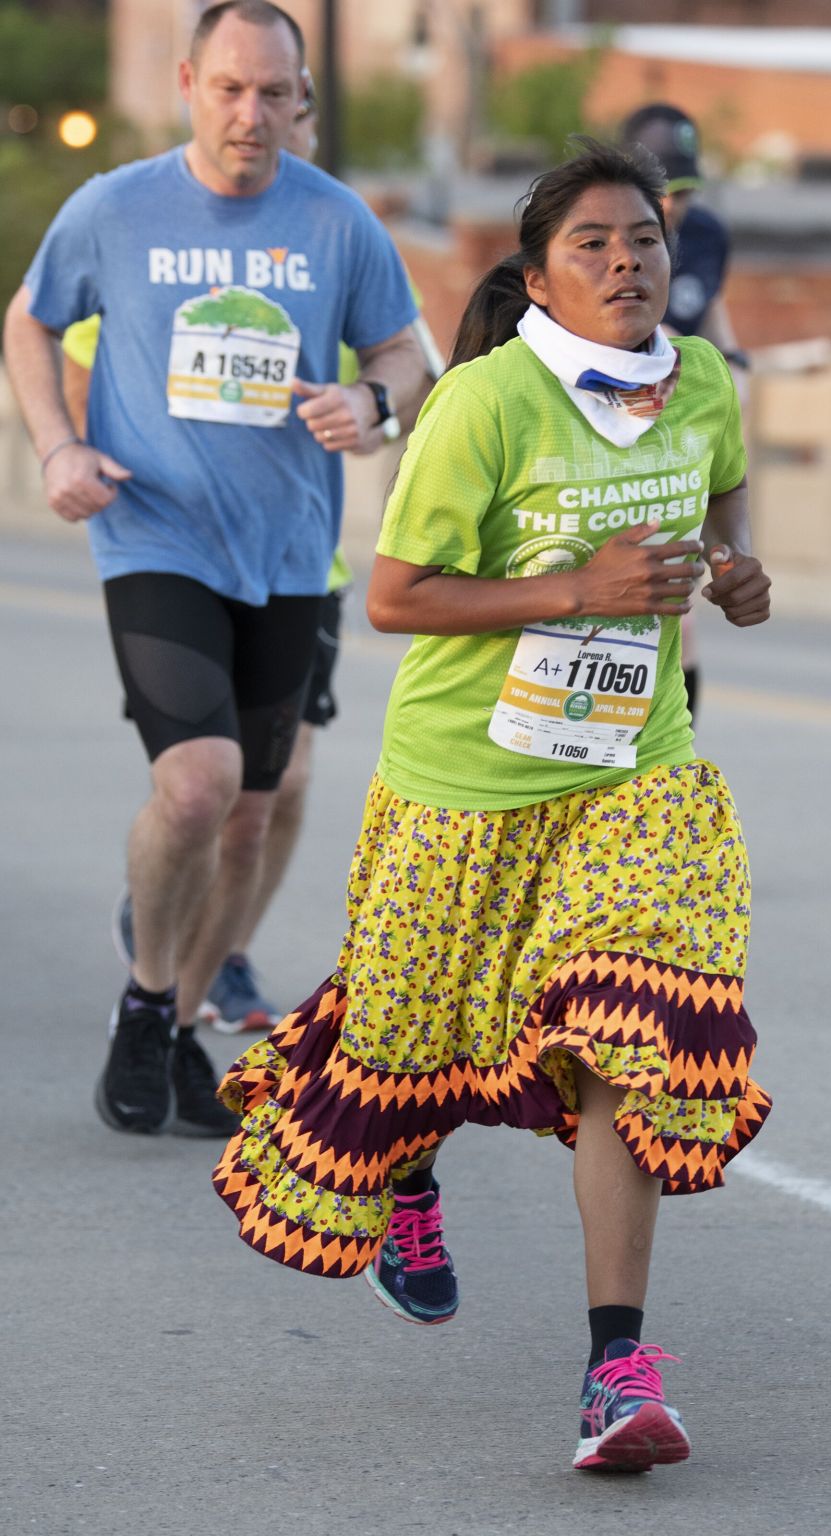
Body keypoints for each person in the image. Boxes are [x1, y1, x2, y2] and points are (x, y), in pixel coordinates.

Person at [212, 137, 772, 1472]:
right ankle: (406, 1167)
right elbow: (398, 596)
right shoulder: (486, 405)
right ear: (536, 280)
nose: (629, 260)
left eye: (643, 238)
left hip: (635, 774)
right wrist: (575, 591)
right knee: (407, 1051)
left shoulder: (698, 379)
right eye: (594, 244)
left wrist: (741, 572)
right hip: (463, 789)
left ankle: (615, 1371)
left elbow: (726, 496)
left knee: (626, 1032)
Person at [3, 0, 427, 1136]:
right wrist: (56, 445)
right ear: (190, 83)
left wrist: (372, 400)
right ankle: (145, 1007)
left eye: (273, 93)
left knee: (251, 814)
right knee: (193, 787)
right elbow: (30, 321)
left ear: (300, 98)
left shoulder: (337, 224)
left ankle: (181, 1025)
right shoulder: (115, 207)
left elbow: (407, 351)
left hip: (287, 555)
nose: (251, 113)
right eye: (230, 89)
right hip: (154, 535)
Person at [621, 104, 751, 724]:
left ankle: (671, 749)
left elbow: (712, 311)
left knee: (677, 604)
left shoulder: (707, 236)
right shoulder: (608, 234)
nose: (674, 206)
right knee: (655, 602)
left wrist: (736, 365)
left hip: (685, 435)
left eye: (686, 190)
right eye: (662, 192)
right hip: (615, 428)